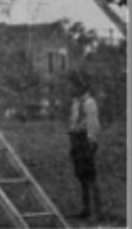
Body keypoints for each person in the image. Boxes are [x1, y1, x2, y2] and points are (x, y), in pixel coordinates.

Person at [66, 70, 101, 220]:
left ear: (81, 87)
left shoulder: (89, 103)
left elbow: (92, 124)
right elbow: (74, 121)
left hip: (85, 141)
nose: (71, 89)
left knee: (90, 176)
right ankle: (85, 209)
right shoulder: (75, 102)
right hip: (76, 140)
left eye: (74, 86)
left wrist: (91, 142)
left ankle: (97, 212)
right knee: (81, 176)